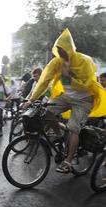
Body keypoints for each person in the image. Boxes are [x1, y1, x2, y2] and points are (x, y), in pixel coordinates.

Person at [24, 28, 106, 173]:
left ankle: (68, 161)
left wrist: (68, 74)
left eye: (64, 50)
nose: (61, 53)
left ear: (70, 49)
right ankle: (60, 135)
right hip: (65, 97)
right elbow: (44, 82)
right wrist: (31, 100)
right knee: (46, 113)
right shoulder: (56, 62)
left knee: (74, 129)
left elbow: (86, 83)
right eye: (59, 50)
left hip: (84, 99)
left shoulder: (84, 61)